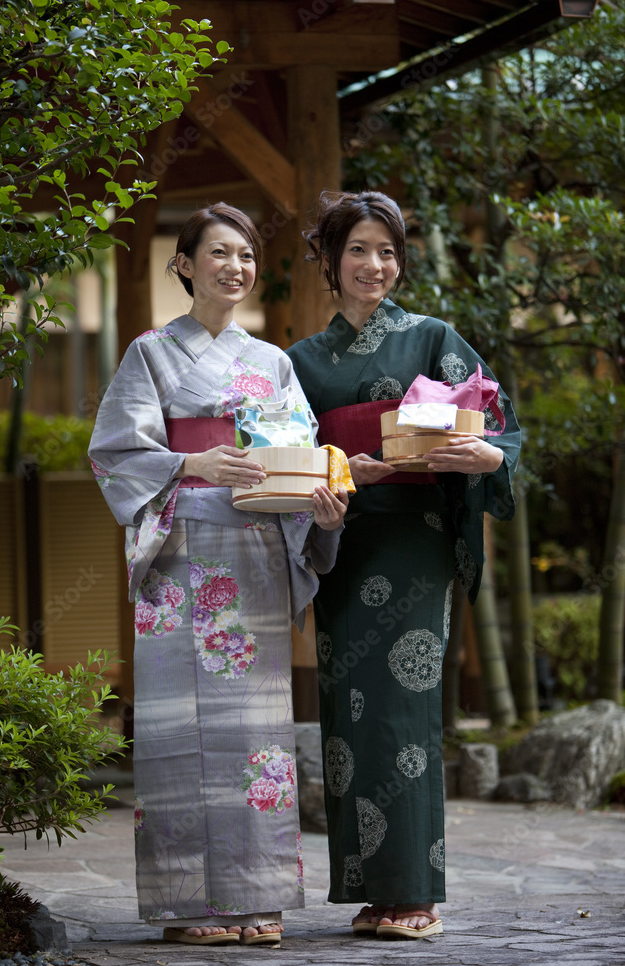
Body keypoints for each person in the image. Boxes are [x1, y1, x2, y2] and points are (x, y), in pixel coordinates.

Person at [89, 202, 347, 948]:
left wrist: (317, 512)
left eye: (246, 256)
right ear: (185, 263)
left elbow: (298, 459)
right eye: (219, 253)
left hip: (255, 555)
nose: (235, 267)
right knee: (178, 730)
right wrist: (190, 462)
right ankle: (189, 905)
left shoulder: (272, 362)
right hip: (179, 555)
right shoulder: (150, 353)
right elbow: (114, 452)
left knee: (254, 733)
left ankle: (256, 898)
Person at [287, 190, 520, 940]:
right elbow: (290, 453)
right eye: (357, 249)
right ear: (330, 258)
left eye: (386, 252)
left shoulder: (432, 338)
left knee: (402, 712)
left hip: (415, 538)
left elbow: (496, 423)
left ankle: (412, 892)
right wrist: (330, 477)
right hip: (341, 536)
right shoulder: (300, 362)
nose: (373, 265)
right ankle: (369, 886)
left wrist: (482, 453)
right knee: (350, 711)